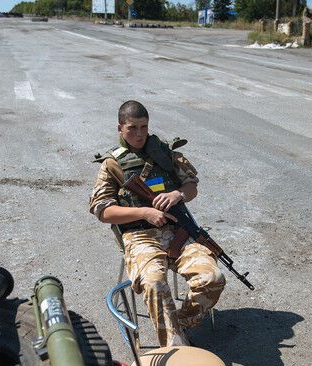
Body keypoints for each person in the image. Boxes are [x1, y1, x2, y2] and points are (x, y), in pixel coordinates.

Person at [89, 100, 225, 347]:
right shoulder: (112, 164)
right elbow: (102, 210)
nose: (139, 134)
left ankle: (179, 323)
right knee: (154, 284)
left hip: (178, 232)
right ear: (120, 128)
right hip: (140, 236)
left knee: (212, 277)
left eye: (144, 127)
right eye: (132, 128)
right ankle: (175, 347)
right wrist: (143, 212)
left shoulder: (166, 153)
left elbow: (191, 185)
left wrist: (178, 195)